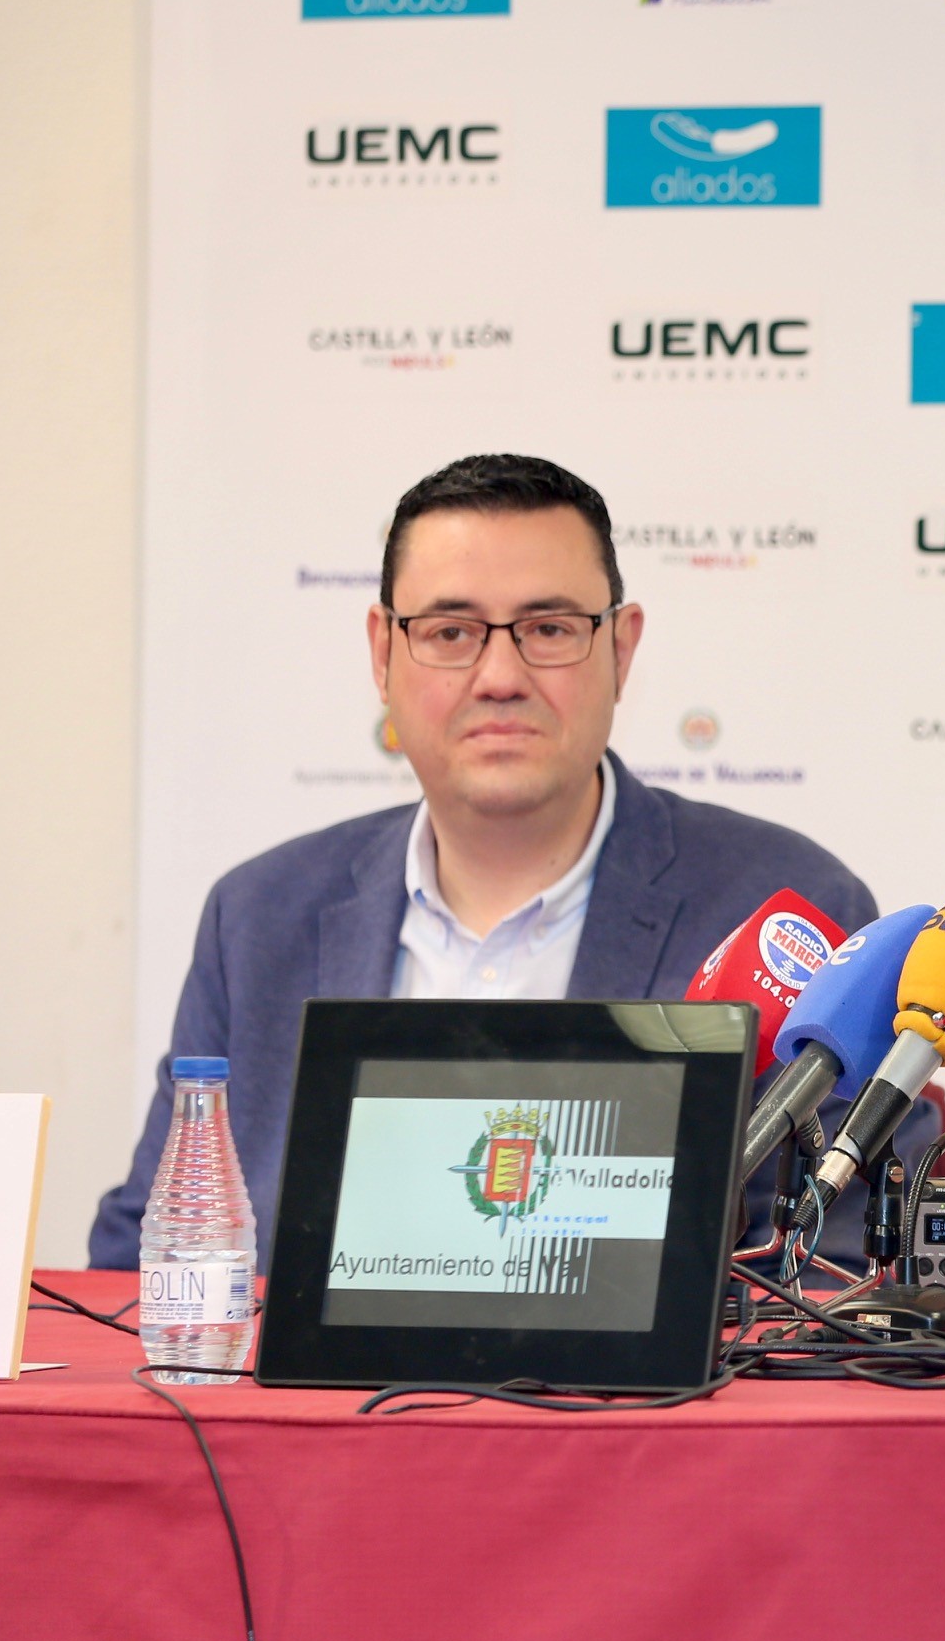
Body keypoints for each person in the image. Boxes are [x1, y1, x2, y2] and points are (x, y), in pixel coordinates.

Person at [91, 455, 888, 1269]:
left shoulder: (790, 910)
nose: (501, 677)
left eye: (548, 629)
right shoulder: (259, 918)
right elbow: (145, 1258)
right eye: (450, 633)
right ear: (382, 653)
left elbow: (850, 1266)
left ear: (620, 647)